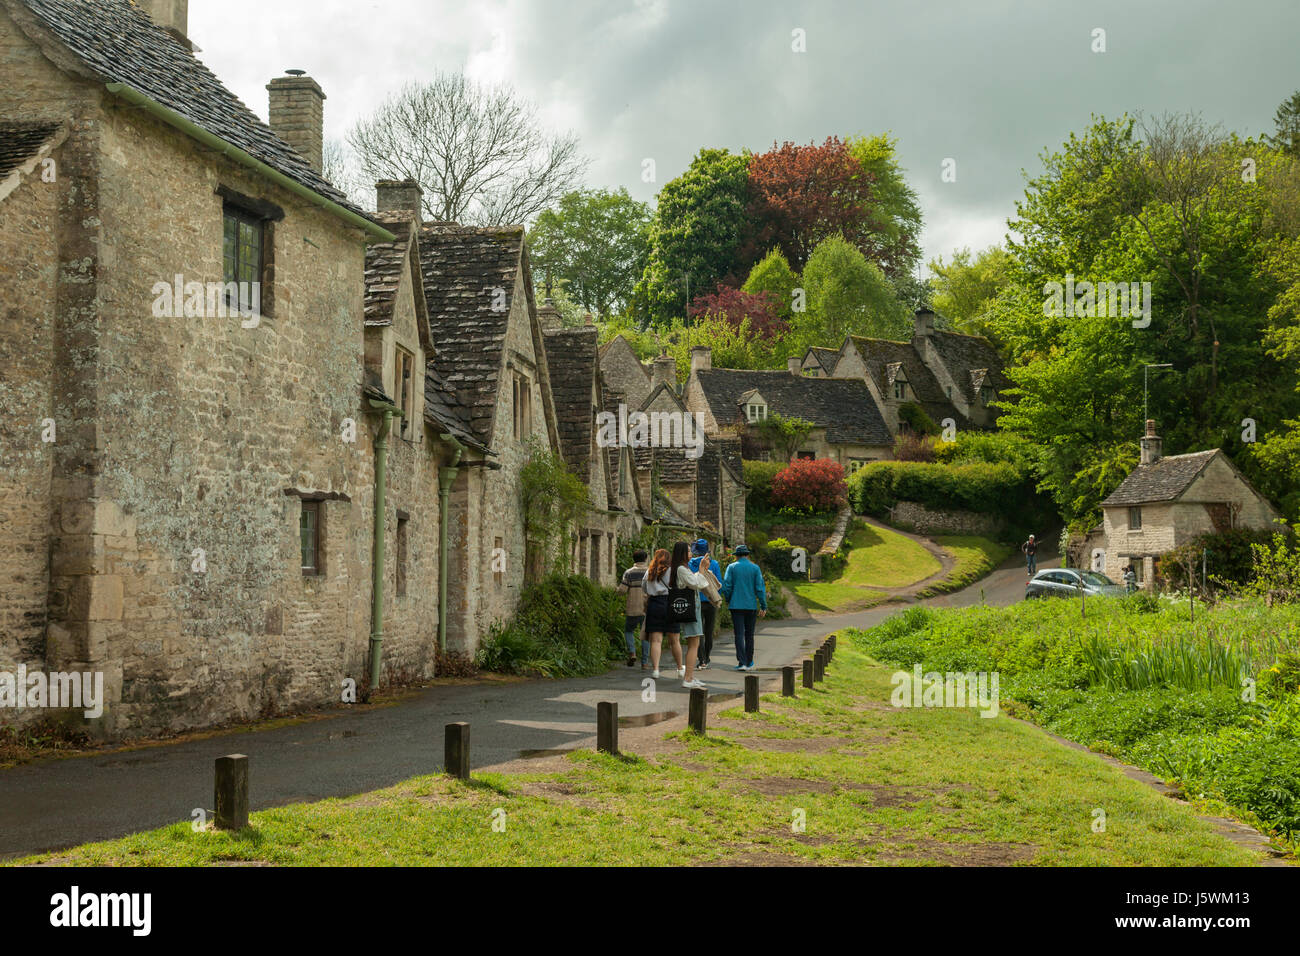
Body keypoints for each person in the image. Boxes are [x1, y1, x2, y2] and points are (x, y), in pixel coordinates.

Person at [669, 541, 712, 689]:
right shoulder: (681, 568)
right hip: (691, 609)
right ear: (682, 553)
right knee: (694, 644)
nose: (691, 554)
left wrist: (700, 570)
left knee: (695, 643)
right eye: (688, 551)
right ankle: (688, 679)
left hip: (693, 608)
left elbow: (692, 581)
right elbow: (695, 583)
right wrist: (701, 569)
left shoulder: (680, 568)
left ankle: (690, 677)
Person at [721, 544, 766, 672]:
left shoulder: (732, 567)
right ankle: (749, 661)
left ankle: (742, 662)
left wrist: (729, 599)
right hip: (751, 605)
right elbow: (760, 589)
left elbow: (727, 587)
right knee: (749, 634)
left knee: (739, 634)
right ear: (747, 554)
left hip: (736, 606)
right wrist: (763, 605)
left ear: (736, 556)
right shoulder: (755, 568)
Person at [641, 548, 684, 681]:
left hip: (654, 605)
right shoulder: (672, 571)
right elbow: (680, 586)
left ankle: (655, 670)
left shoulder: (650, 571)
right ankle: (679, 668)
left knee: (656, 640)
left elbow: (644, 588)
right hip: (670, 604)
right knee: (675, 640)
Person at [688, 538, 721, 670]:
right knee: (709, 631)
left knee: (698, 631)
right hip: (710, 601)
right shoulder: (714, 564)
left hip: (696, 601)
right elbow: (718, 583)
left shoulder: (690, 563)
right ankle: (707, 657)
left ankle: (701, 659)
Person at [616, 550, 650, 668]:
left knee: (628, 631)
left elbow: (622, 590)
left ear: (634, 559)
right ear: (645, 558)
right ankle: (645, 662)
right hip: (646, 608)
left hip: (632, 608)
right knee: (645, 634)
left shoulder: (628, 573)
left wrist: (616, 590)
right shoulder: (650, 572)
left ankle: (632, 652)